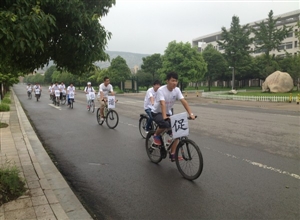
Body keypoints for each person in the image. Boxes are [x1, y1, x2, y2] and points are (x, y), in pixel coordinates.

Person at [151, 72, 195, 161]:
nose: (174, 83)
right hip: (157, 112)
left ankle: (172, 154)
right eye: (172, 80)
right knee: (164, 124)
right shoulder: (161, 90)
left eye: (176, 81)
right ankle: (156, 135)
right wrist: (164, 116)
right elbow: (162, 104)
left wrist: (191, 114)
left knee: (177, 132)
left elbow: (184, 101)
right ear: (167, 81)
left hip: (168, 113)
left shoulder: (177, 90)